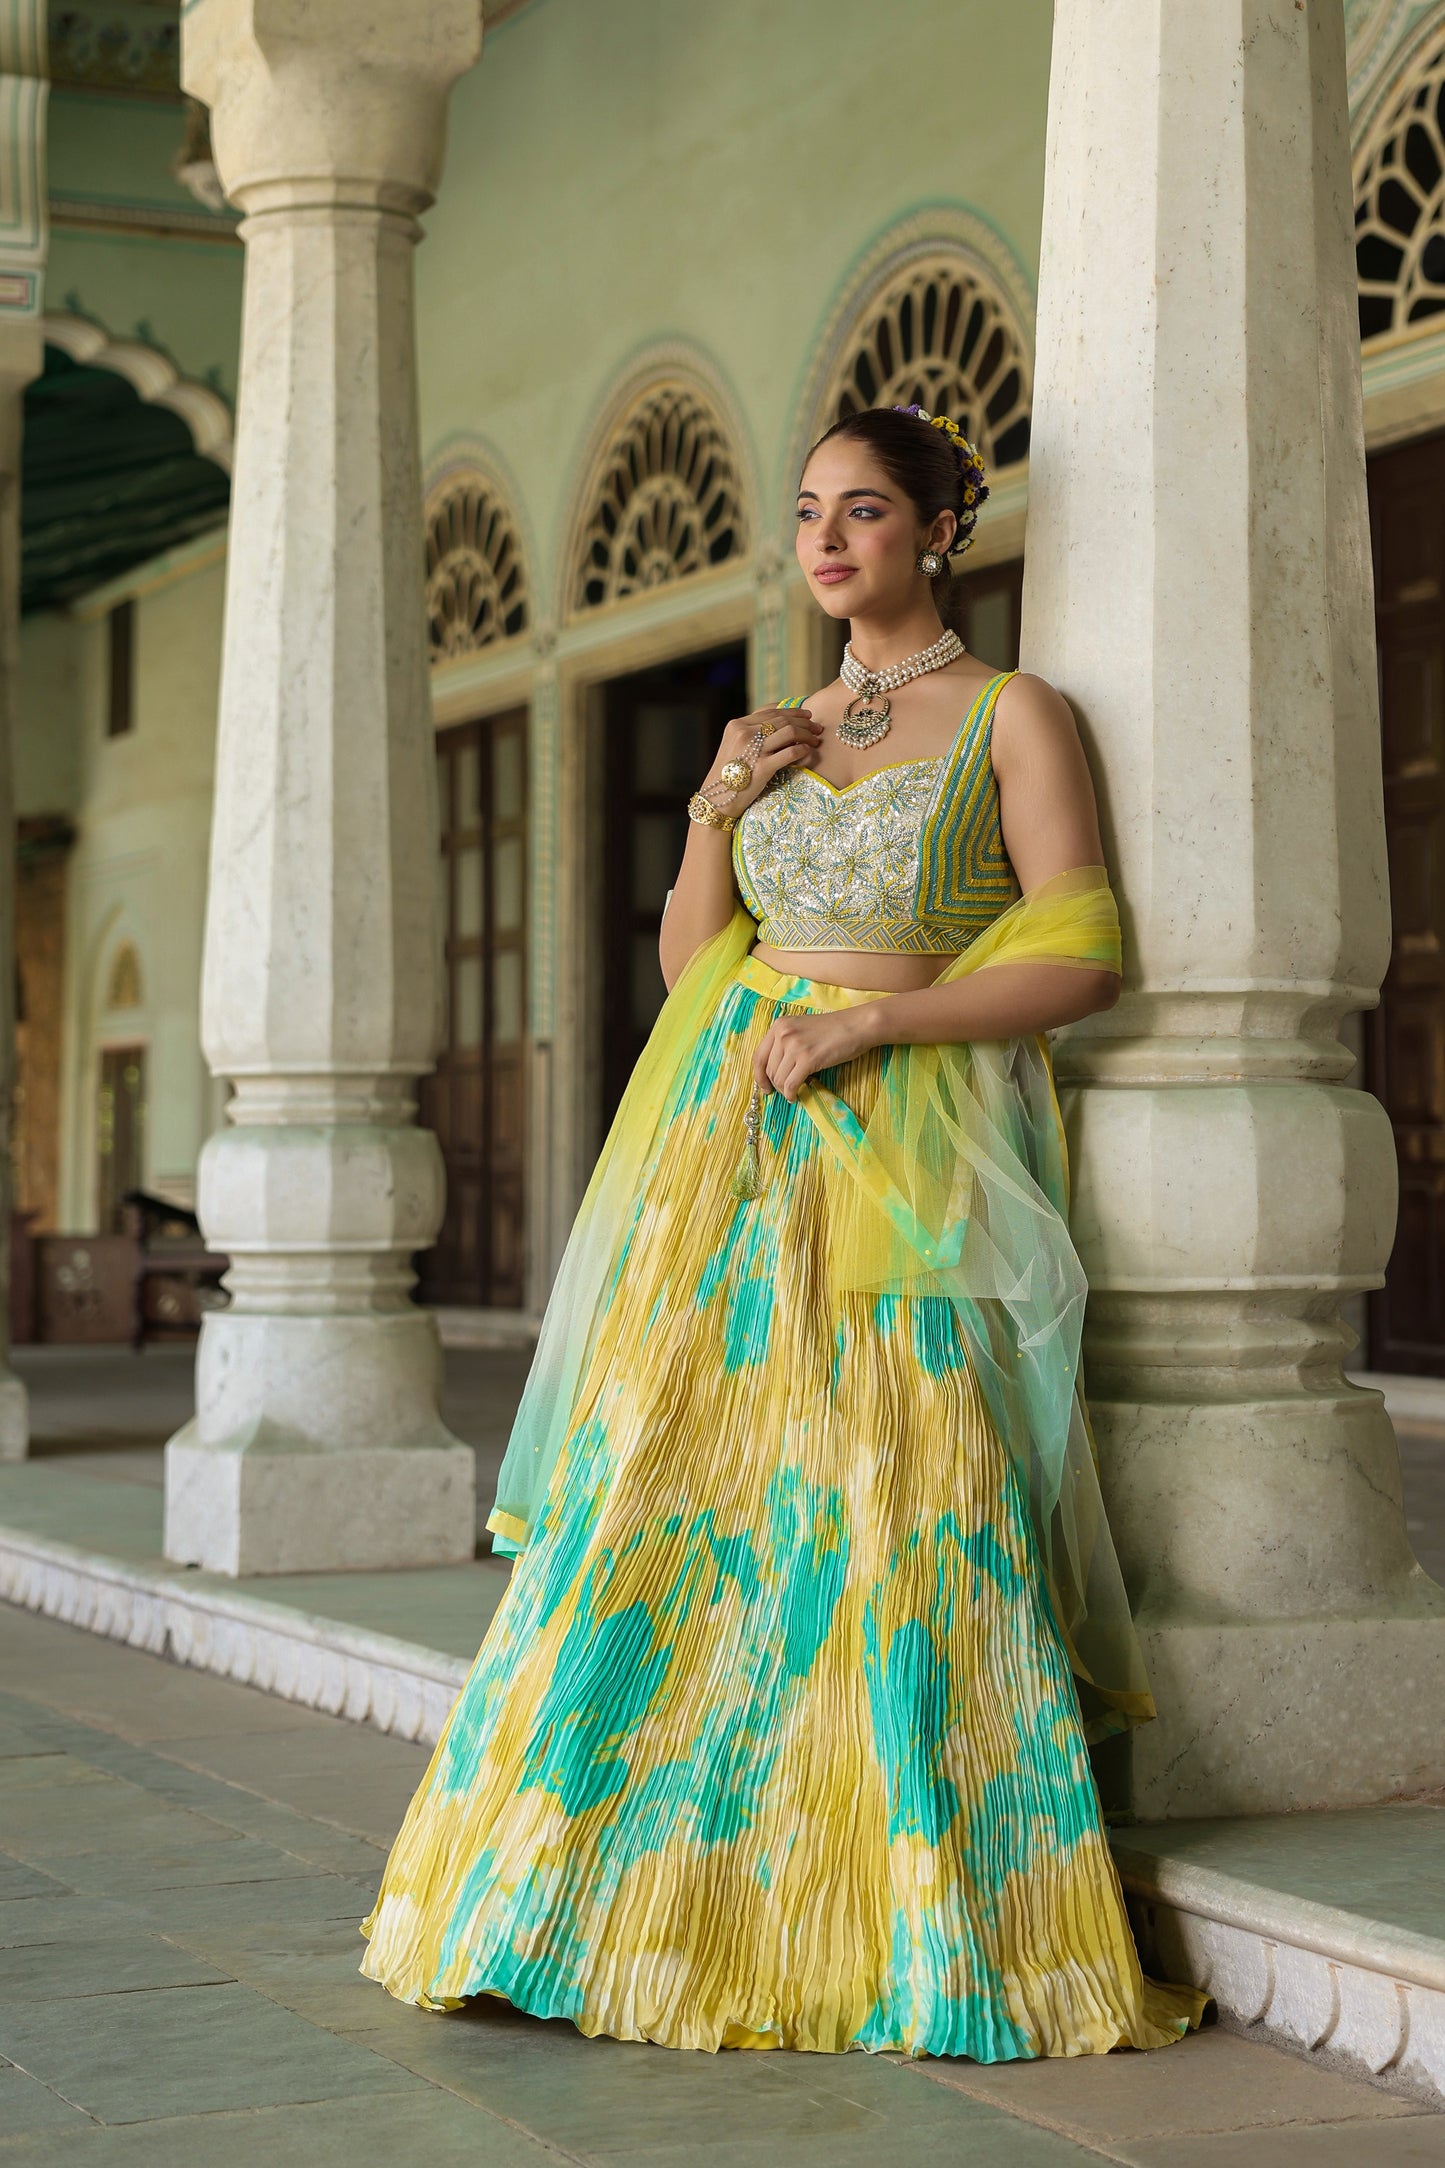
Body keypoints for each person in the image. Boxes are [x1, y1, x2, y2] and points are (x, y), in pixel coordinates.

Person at [360, 403, 1206, 2060]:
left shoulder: (1011, 715)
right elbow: (698, 967)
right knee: (674, 1497)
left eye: (866, 511)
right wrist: (713, 805)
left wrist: (872, 1032)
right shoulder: (788, 725)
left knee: (905, 1503)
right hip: (732, 1151)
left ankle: (920, 1921)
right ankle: (569, 1900)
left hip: (902, 1135)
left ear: (938, 532)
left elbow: (1087, 955)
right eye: (811, 512)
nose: (828, 542)